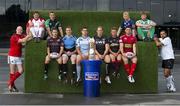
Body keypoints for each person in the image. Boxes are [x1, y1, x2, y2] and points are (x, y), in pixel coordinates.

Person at [7, 26, 31, 92]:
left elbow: (27, 39)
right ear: (16, 30)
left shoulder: (22, 35)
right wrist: (28, 36)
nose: (20, 31)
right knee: (12, 72)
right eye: (18, 29)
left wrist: (29, 34)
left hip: (18, 56)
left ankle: (10, 82)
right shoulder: (14, 36)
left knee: (21, 70)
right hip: (12, 55)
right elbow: (23, 40)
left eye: (21, 30)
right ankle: (11, 86)